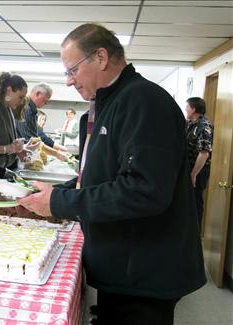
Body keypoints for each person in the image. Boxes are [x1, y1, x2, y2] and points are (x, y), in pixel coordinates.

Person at [17, 23, 206, 325]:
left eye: (72, 70)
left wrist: (60, 203)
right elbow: (98, 175)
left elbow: (144, 190)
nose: (69, 81)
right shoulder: (105, 105)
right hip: (121, 262)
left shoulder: (143, 101)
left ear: (101, 57)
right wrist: (51, 194)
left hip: (145, 269)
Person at [16, 83, 68, 161]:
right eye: (45, 100)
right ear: (38, 94)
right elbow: (33, 142)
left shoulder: (31, 110)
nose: (46, 103)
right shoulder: (27, 110)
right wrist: (56, 153)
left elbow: (37, 137)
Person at [185, 97, 213, 229]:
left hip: (198, 169)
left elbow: (204, 153)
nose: (185, 109)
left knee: (195, 202)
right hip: (189, 167)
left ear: (193, 109)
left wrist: (193, 174)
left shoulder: (204, 126)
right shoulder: (190, 122)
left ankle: (194, 235)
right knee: (187, 201)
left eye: (187, 107)